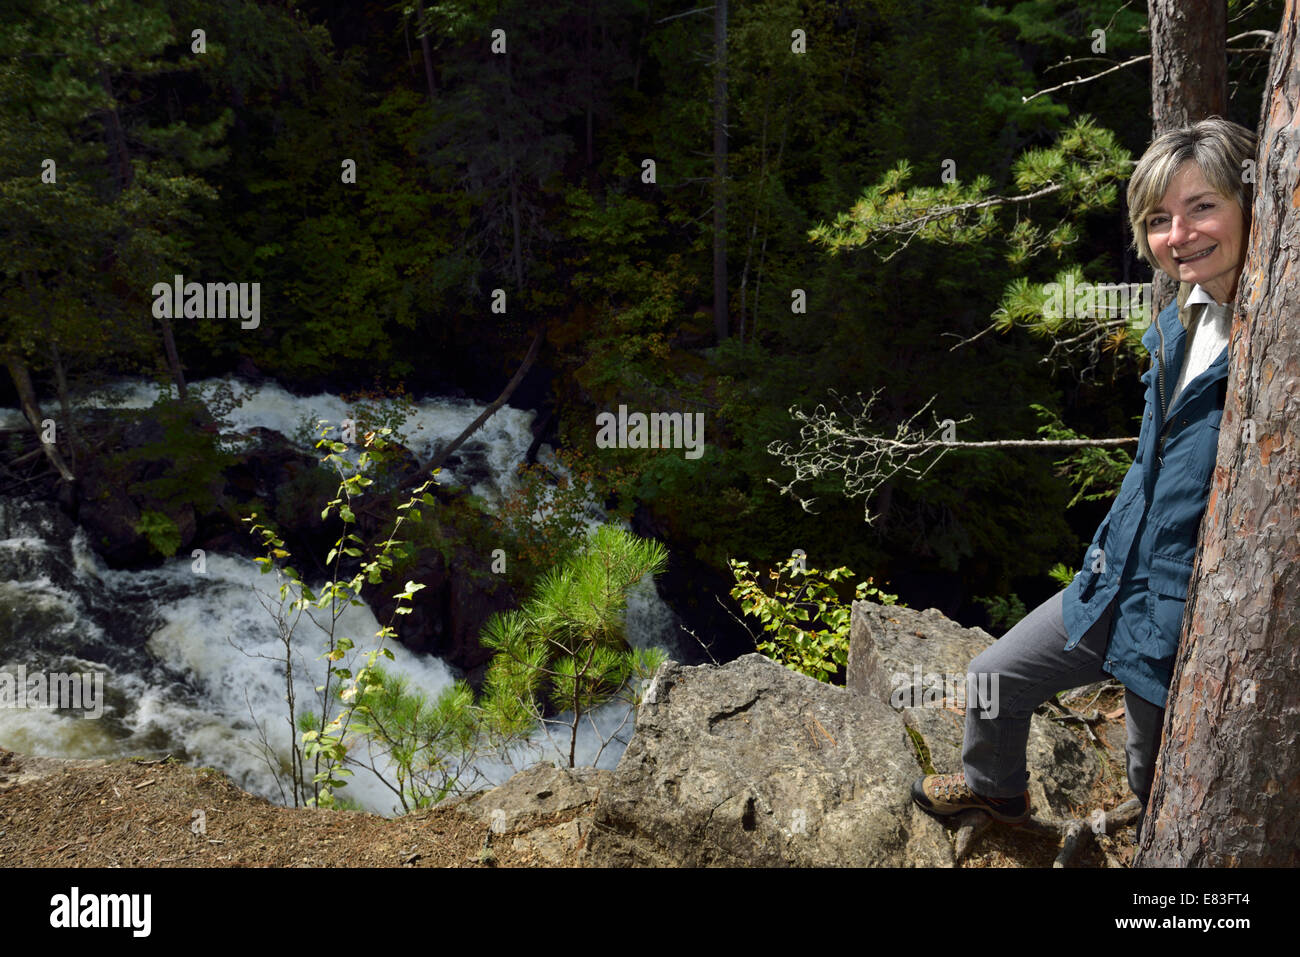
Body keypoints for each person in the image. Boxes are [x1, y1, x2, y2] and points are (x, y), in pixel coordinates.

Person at [910, 116, 1257, 843]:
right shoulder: (1178, 322)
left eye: (1204, 207)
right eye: (1160, 218)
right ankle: (994, 791)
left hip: (1178, 610)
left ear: (1253, 202)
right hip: (1110, 576)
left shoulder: (1271, 344)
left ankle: (1152, 835)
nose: (1181, 234)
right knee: (991, 680)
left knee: (1151, 770)